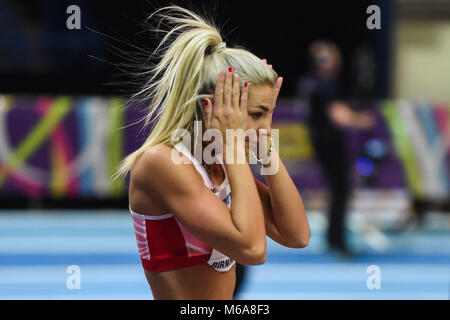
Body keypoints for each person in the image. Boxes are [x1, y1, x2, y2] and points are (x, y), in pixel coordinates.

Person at [113, 5, 311, 300]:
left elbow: (297, 235)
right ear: (215, 109)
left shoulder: (219, 165)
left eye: (269, 114)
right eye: (257, 114)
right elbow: (253, 249)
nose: (266, 128)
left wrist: (266, 152)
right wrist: (232, 146)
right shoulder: (162, 162)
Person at [295, 40, 374, 256]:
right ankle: (337, 241)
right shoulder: (324, 84)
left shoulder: (309, 81)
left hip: (320, 140)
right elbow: (338, 115)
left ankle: (334, 238)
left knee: (338, 190)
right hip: (328, 142)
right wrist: (361, 120)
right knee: (341, 190)